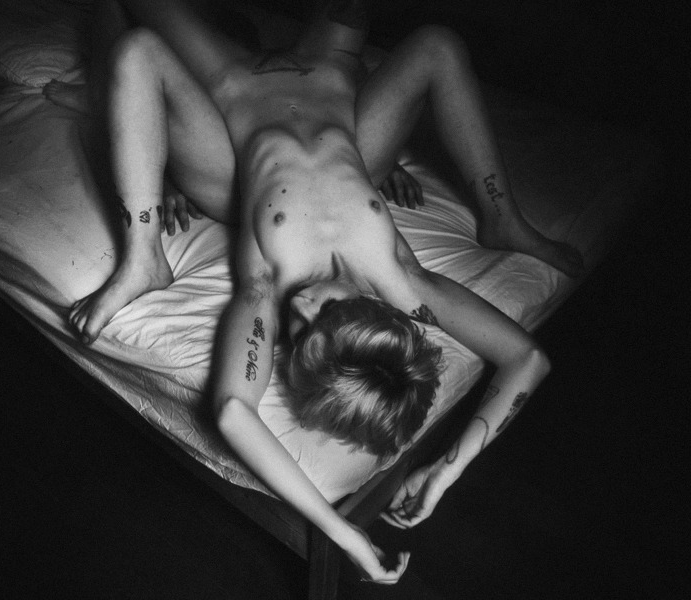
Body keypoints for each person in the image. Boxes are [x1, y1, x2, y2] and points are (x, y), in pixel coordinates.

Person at [48, 0, 582, 584]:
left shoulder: (265, 284)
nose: (298, 308)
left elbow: (233, 410)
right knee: (436, 42)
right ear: (370, 311)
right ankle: (503, 218)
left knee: (138, 48)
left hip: (236, 96)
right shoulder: (403, 284)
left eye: (296, 334)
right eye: (324, 312)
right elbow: (527, 358)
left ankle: (142, 256)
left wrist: (345, 532)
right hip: (330, 87)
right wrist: (447, 470)